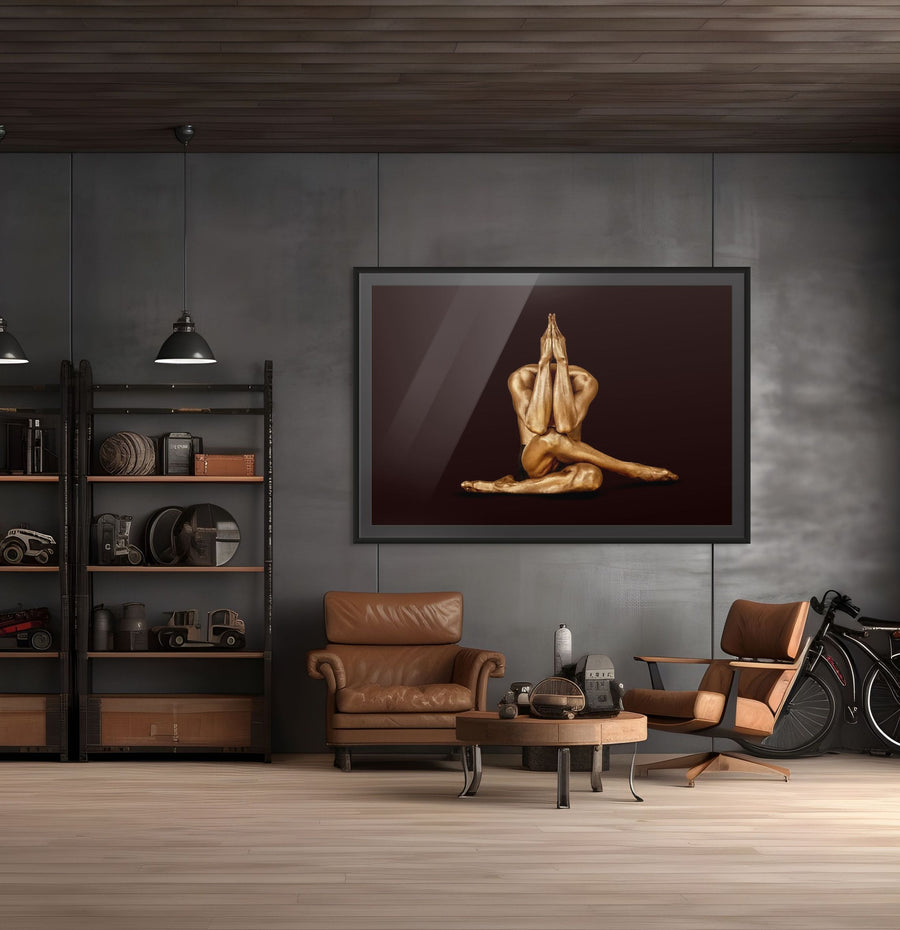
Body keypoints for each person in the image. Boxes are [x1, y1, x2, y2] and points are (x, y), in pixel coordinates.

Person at [461, 314, 678, 494]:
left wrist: (562, 361)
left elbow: (565, 424)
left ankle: (505, 489)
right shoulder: (522, 377)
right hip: (535, 460)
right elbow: (537, 427)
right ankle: (630, 469)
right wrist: (545, 362)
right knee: (551, 438)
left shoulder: (584, 381)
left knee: (592, 478)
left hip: (571, 460)